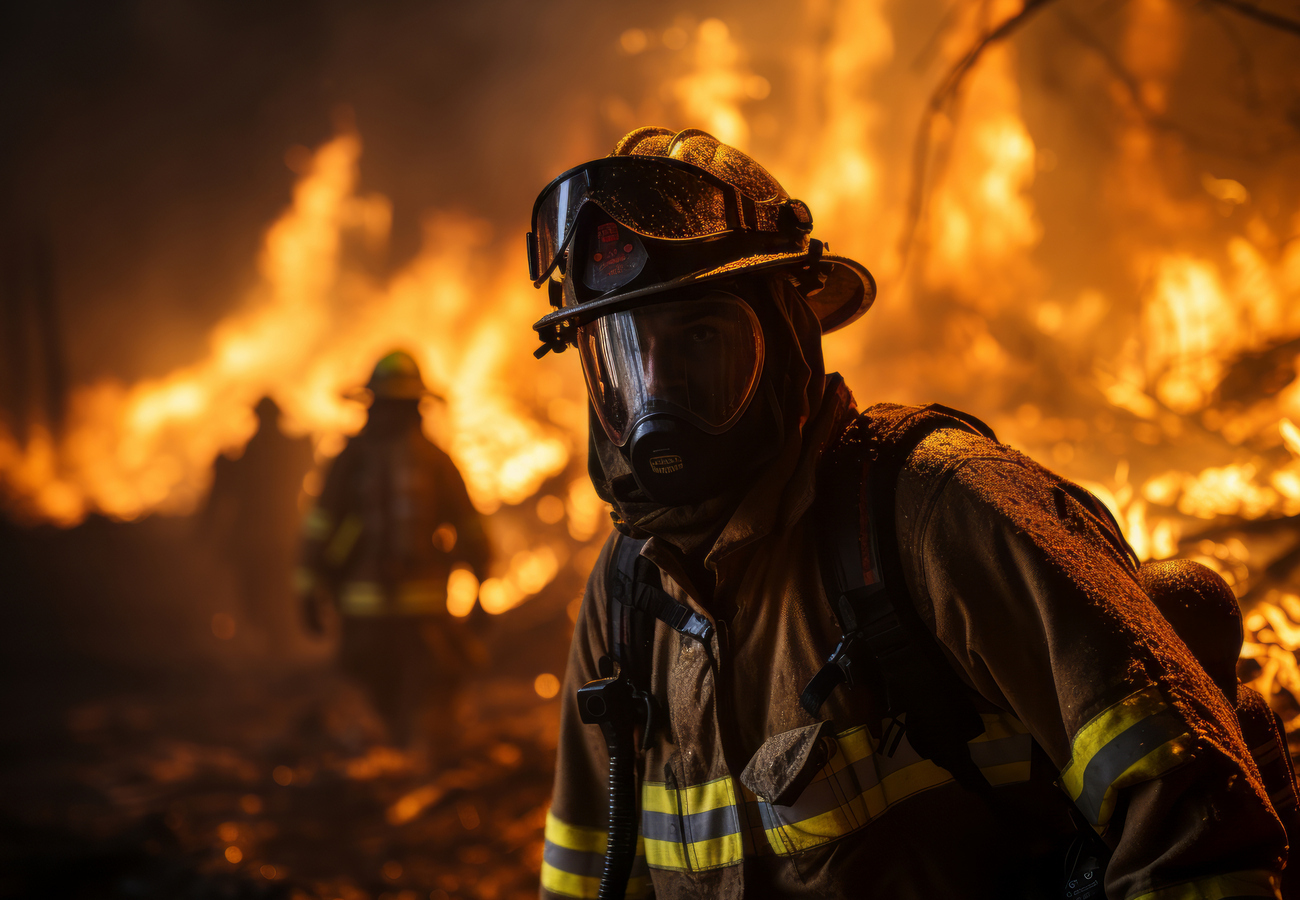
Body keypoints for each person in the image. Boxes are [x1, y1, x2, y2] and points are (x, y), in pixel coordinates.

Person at [528, 127, 1293, 899]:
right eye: (624, 354)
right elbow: (583, 878)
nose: (658, 396)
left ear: (788, 340)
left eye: (700, 337)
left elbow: (1195, 837)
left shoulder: (937, 513)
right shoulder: (625, 602)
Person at [297, 350, 490, 751]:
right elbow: (472, 532)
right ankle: (413, 765)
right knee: (424, 700)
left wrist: (308, 591)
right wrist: (480, 593)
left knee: (372, 699)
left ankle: (381, 769)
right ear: (418, 405)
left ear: (371, 402)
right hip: (425, 613)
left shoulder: (349, 459)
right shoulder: (435, 460)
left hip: (361, 612)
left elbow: (319, 528)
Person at [202, 396, 313, 652]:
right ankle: (277, 645)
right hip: (278, 538)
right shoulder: (285, 450)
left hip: (262, 539)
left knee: (264, 595)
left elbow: (225, 497)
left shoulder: (253, 454)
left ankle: (277, 644)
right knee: (269, 594)